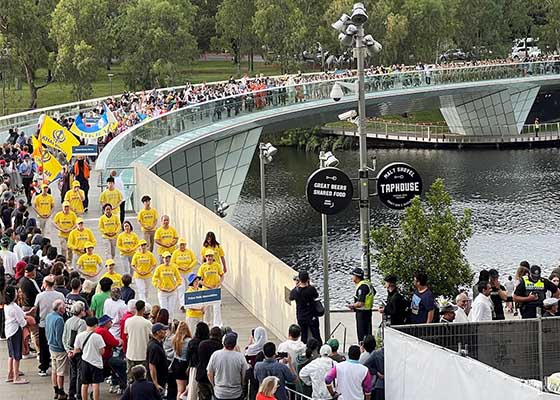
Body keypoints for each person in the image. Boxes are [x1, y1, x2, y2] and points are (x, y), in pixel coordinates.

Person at [31, 274, 65, 376]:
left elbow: (35, 309)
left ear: (45, 284)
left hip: (43, 323)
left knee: (43, 346)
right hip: (57, 322)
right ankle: (57, 364)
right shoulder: (60, 295)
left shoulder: (40, 296)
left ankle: (43, 366)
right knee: (56, 342)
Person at [72, 317, 105, 400]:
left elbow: (77, 349)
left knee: (84, 383)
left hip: (85, 362)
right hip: (96, 363)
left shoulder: (79, 336)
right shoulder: (98, 337)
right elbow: (102, 351)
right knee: (95, 384)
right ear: (96, 325)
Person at [207, 333, 248, 400]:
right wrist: (242, 385)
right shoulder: (240, 357)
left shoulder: (215, 355)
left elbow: (209, 373)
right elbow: (244, 374)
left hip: (219, 392)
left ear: (223, 343)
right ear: (235, 344)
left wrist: (214, 385)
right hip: (236, 393)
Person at [95, 314, 126, 395]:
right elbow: (114, 343)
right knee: (121, 364)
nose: (112, 322)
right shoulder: (103, 331)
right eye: (110, 321)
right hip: (105, 358)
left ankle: (114, 384)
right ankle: (122, 385)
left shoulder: (98, 330)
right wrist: (120, 341)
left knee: (115, 366)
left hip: (100, 357)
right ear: (106, 323)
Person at [4, 285, 29, 384]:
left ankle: (10, 373)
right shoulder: (14, 307)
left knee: (11, 354)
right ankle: (16, 377)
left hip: (9, 331)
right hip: (15, 332)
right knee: (17, 355)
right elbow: (22, 322)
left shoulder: (7, 306)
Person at [289, 270, 321, 344]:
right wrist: (309, 285)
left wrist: (296, 286)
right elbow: (316, 295)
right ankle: (319, 350)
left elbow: (291, 297)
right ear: (308, 279)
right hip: (312, 316)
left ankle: (304, 352)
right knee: (316, 335)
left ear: (299, 279)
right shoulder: (311, 289)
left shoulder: (296, 291)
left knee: (304, 336)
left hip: (301, 317)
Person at [46, 299, 69, 400]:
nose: (65, 308)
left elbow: (47, 331)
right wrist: (64, 348)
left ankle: (55, 390)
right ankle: (61, 391)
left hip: (51, 346)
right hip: (59, 349)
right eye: (64, 306)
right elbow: (60, 336)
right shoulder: (59, 319)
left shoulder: (48, 316)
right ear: (60, 308)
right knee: (60, 372)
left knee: (54, 370)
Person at [63, 301, 86, 400]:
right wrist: (75, 351)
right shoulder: (81, 323)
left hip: (69, 351)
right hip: (78, 352)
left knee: (73, 373)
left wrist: (68, 350)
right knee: (80, 373)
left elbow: (64, 337)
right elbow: (80, 339)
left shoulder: (68, 321)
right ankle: (79, 394)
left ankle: (71, 394)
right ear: (81, 311)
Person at [197, 249, 224, 327]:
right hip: (206, 290)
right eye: (208, 256)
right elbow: (199, 280)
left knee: (216, 307)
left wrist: (219, 283)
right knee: (207, 308)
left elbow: (222, 275)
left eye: (211, 256)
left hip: (216, 289)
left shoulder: (217, 265)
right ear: (205, 257)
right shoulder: (203, 267)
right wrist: (207, 285)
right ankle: (207, 323)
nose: (209, 258)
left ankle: (217, 324)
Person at [124, 300, 152, 373]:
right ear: (143, 309)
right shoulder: (147, 323)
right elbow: (152, 335)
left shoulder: (128, 321)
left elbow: (126, 334)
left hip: (131, 353)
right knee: (143, 377)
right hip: (143, 354)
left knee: (130, 377)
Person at [197, 326, 224, 400]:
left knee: (203, 396)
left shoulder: (202, 344)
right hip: (214, 377)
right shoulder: (220, 347)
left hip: (201, 375)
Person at [347, 267, 375, 341]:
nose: (352, 277)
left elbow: (361, 303)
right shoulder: (367, 283)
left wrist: (352, 305)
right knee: (368, 333)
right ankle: (368, 348)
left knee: (362, 335)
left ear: (357, 277)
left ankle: (362, 349)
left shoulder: (362, 287)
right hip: (368, 311)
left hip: (362, 313)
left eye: (353, 275)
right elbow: (373, 292)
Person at [186, 322, 210, 400]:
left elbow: (188, 356)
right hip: (206, 368)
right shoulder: (207, 342)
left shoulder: (193, 342)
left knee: (193, 389)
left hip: (194, 368)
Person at [171, 237, 197, 307]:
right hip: (180, 273)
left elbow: (194, 260)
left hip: (189, 272)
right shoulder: (175, 253)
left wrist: (189, 266)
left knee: (191, 287)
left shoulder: (189, 252)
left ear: (185, 245)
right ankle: (182, 304)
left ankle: (191, 302)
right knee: (181, 288)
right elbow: (172, 262)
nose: (182, 246)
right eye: (181, 245)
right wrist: (179, 267)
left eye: (183, 245)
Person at [148, 323, 169, 395]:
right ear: (158, 332)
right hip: (158, 380)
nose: (165, 332)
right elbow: (152, 366)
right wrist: (155, 383)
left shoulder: (158, 344)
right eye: (163, 330)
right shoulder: (154, 347)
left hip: (161, 378)